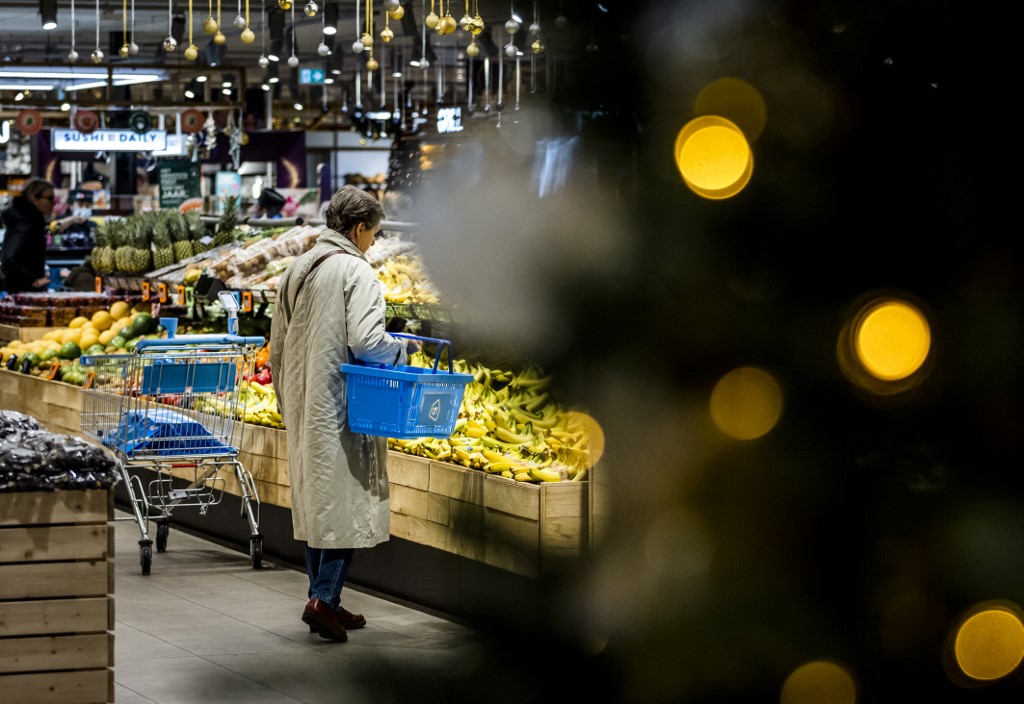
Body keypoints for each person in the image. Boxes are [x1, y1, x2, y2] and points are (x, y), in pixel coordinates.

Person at [269, 185, 419, 642]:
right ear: (357, 229)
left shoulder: (299, 266)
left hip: (303, 401)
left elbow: (276, 344)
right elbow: (369, 342)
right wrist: (403, 350)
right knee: (344, 504)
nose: (373, 242)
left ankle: (325, 600)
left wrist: (285, 399)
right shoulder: (357, 271)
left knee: (320, 503)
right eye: (372, 234)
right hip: (341, 406)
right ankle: (323, 600)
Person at [1, 178, 60, 292]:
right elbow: (9, 259)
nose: (54, 203)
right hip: (24, 292)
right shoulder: (26, 224)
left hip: (22, 291)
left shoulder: (29, 221)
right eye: (50, 198)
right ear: (35, 199)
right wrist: (33, 280)